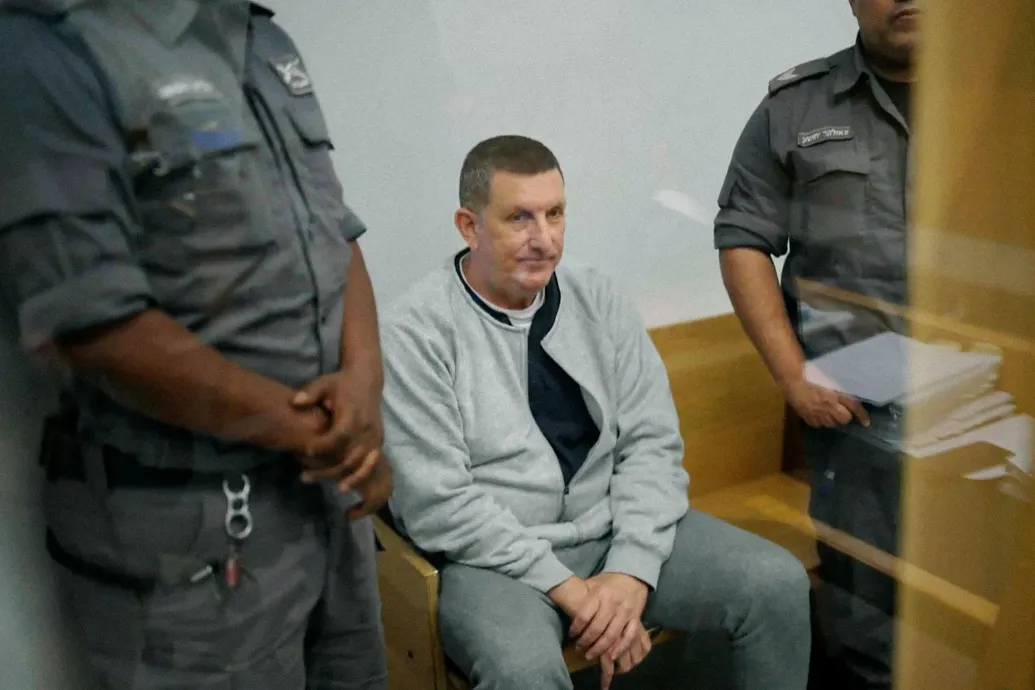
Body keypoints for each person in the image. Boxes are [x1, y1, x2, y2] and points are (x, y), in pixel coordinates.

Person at [0, 2, 390, 688]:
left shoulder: (260, 36)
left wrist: (364, 382)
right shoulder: (46, 49)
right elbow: (95, 328)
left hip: (327, 504)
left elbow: (333, 232)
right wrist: (327, 435)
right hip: (193, 547)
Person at [379, 135, 811, 690]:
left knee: (776, 584)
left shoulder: (597, 296)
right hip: (493, 559)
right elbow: (437, 504)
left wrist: (630, 571)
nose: (544, 239)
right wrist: (575, 593)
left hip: (612, 526)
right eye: (519, 218)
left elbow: (651, 442)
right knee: (524, 672)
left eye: (555, 214)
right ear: (469, 226)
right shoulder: (413, 332)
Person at [713, 1, 918, 687]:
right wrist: (793, 375)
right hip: (859, 415)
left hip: (985, 401)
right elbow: (742, 239)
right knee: (867, 624)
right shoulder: (797, 107)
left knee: (982, 610)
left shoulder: (1001, 106)